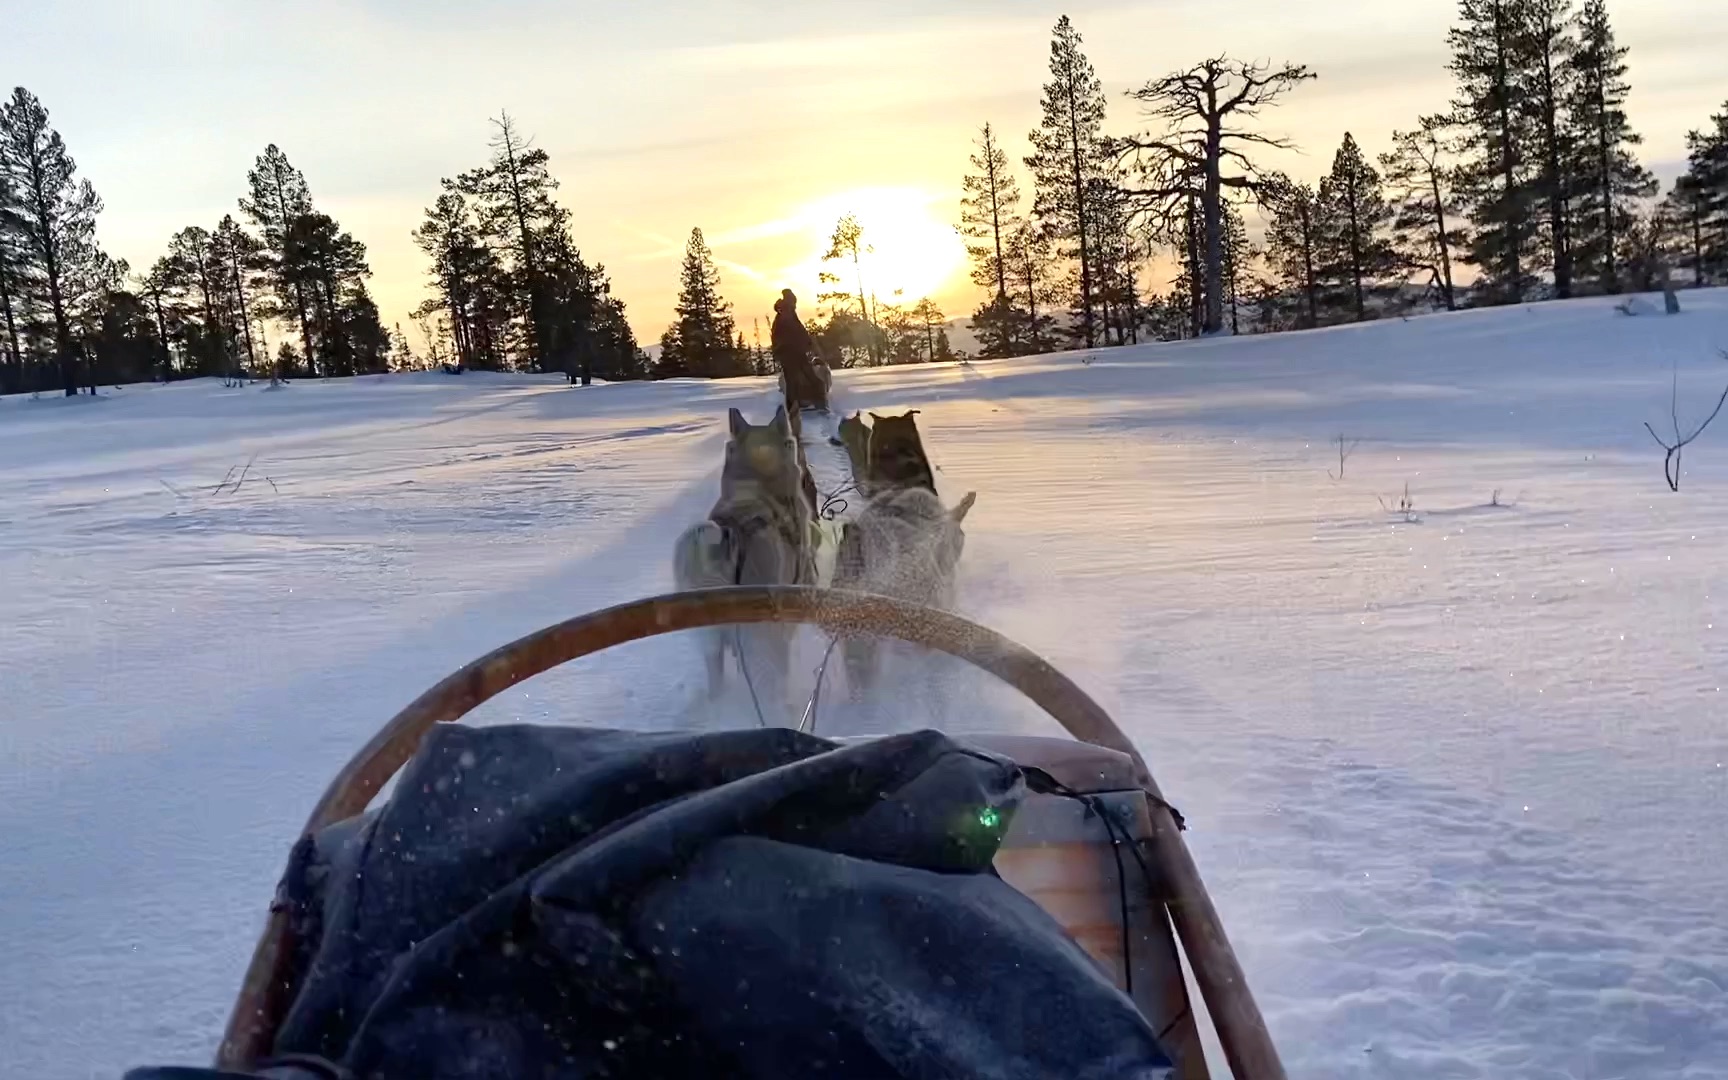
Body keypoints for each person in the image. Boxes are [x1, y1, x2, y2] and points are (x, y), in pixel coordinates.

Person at [771, 289, 829, 413]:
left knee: (794, 382)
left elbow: (798, 333)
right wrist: (806, 343)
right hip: (792, 353)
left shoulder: (786, 315)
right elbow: (796, 333)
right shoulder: (786, 315)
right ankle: (819, 405)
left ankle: (796, 407)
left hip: (791, 352)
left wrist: (807, 342)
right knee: (802, 380)